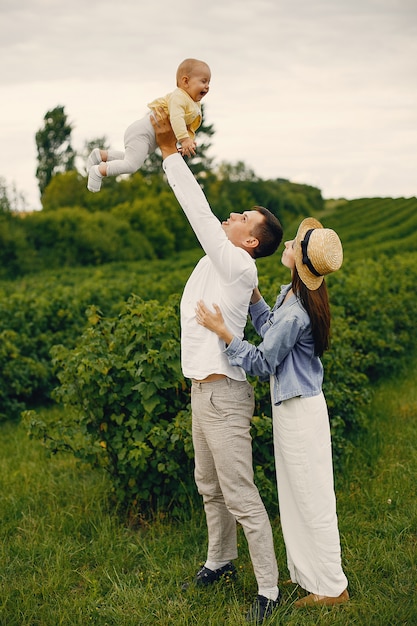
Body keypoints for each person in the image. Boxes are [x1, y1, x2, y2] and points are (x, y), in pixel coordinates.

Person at [150, 108, 284, 624]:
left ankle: (269, 589)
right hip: (201, 391)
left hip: (226, 395)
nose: (232, 215)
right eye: (238, 212)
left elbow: (200, 213)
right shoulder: (221, 263)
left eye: (243, 218)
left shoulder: (237, 261)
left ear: (251, 241)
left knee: (240, 494)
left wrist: (169, 155)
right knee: (209, 486)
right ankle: (220, 561)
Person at [195, 217, 349, 608]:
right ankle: (312, 577)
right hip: (293, 409)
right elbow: (269, 327)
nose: (288, 246)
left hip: (300, 412)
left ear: (299, 261)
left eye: (294, 245)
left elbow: (264, 360)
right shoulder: (290, 296)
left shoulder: (298, 310)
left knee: (311, 499)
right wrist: (253, 295)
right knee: (298, 498)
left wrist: (224, 332)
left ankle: (333, 588)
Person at [86, 58, 211, 192]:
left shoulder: (193, 103)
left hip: (143, 134)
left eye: (209, 82)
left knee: (134, 160)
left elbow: (188, 125)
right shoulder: (179, 97)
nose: (207, 86)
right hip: (142, 132)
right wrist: (184, 139)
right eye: (203, 81)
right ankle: (98, 171)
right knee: (131, 165)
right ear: (185, 81)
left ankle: (101, 155)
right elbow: (176, 118)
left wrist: (189, 141)